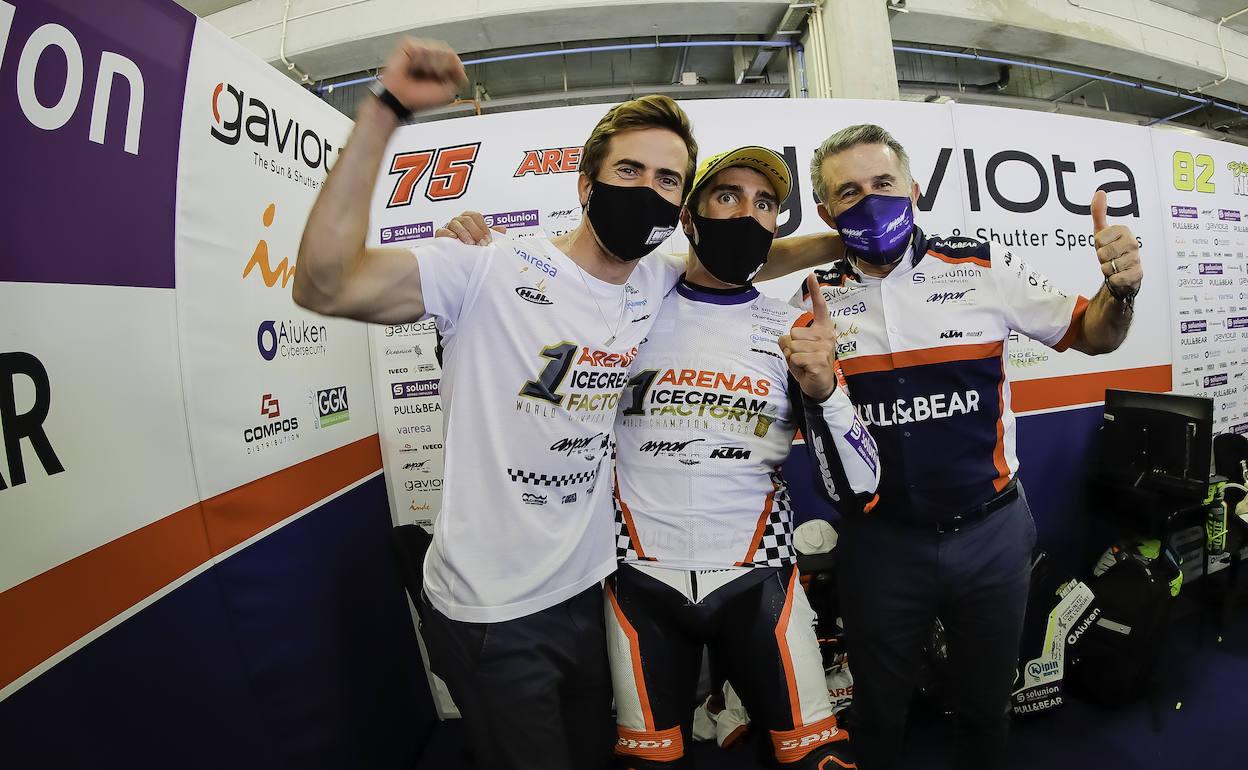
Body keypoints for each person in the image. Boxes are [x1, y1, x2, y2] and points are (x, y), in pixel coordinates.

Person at [293, 37, 839, 770]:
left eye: (667, 180)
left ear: (681, 208)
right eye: (629, 171)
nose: (647, 189)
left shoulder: (651, 282)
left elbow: (743, 251)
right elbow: (324, 286)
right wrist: (384, 116)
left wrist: (848, 242)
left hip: (591, 591)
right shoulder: (486, 267)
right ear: (586, 184)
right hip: (492, 611)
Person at [797, 124, 1143, 770]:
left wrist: (1119, 290)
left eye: (883, 184)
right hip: (881, 545)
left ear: (914, 190)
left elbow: (1094, 334)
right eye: (849, 192)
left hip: (992, 534)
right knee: (878, 711)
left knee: (987, 706)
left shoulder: (984, 265)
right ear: (825, 212)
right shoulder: (812, 301)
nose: (869, 200)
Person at [603, 146, 879, 770]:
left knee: (818, 762)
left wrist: (824, 389)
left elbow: (860, 485)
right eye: (728, 195)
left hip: (758, 577)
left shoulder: (792, 327)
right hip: (640, 577)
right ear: (690, 218)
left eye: (766, 204)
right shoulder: (629, 302)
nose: (747, 215)